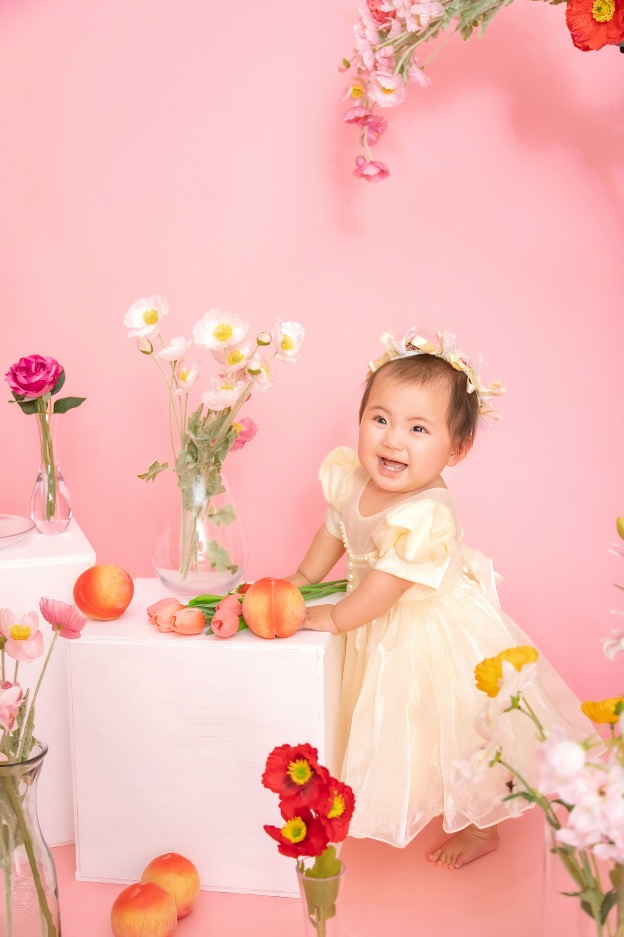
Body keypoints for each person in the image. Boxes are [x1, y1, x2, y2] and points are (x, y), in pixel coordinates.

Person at [286, 328, 594, 870]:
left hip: (425, 628)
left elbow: (385, 586)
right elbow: (334, 532)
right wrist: (300, 580)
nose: (393, 441)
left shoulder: (426, 513)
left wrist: (332, 616)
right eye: (380, 419)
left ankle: (481, 826)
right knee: (385, 724)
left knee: (452, 726)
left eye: (418, 428)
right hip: (372, 617)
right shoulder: (351, 477)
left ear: (456, 448)